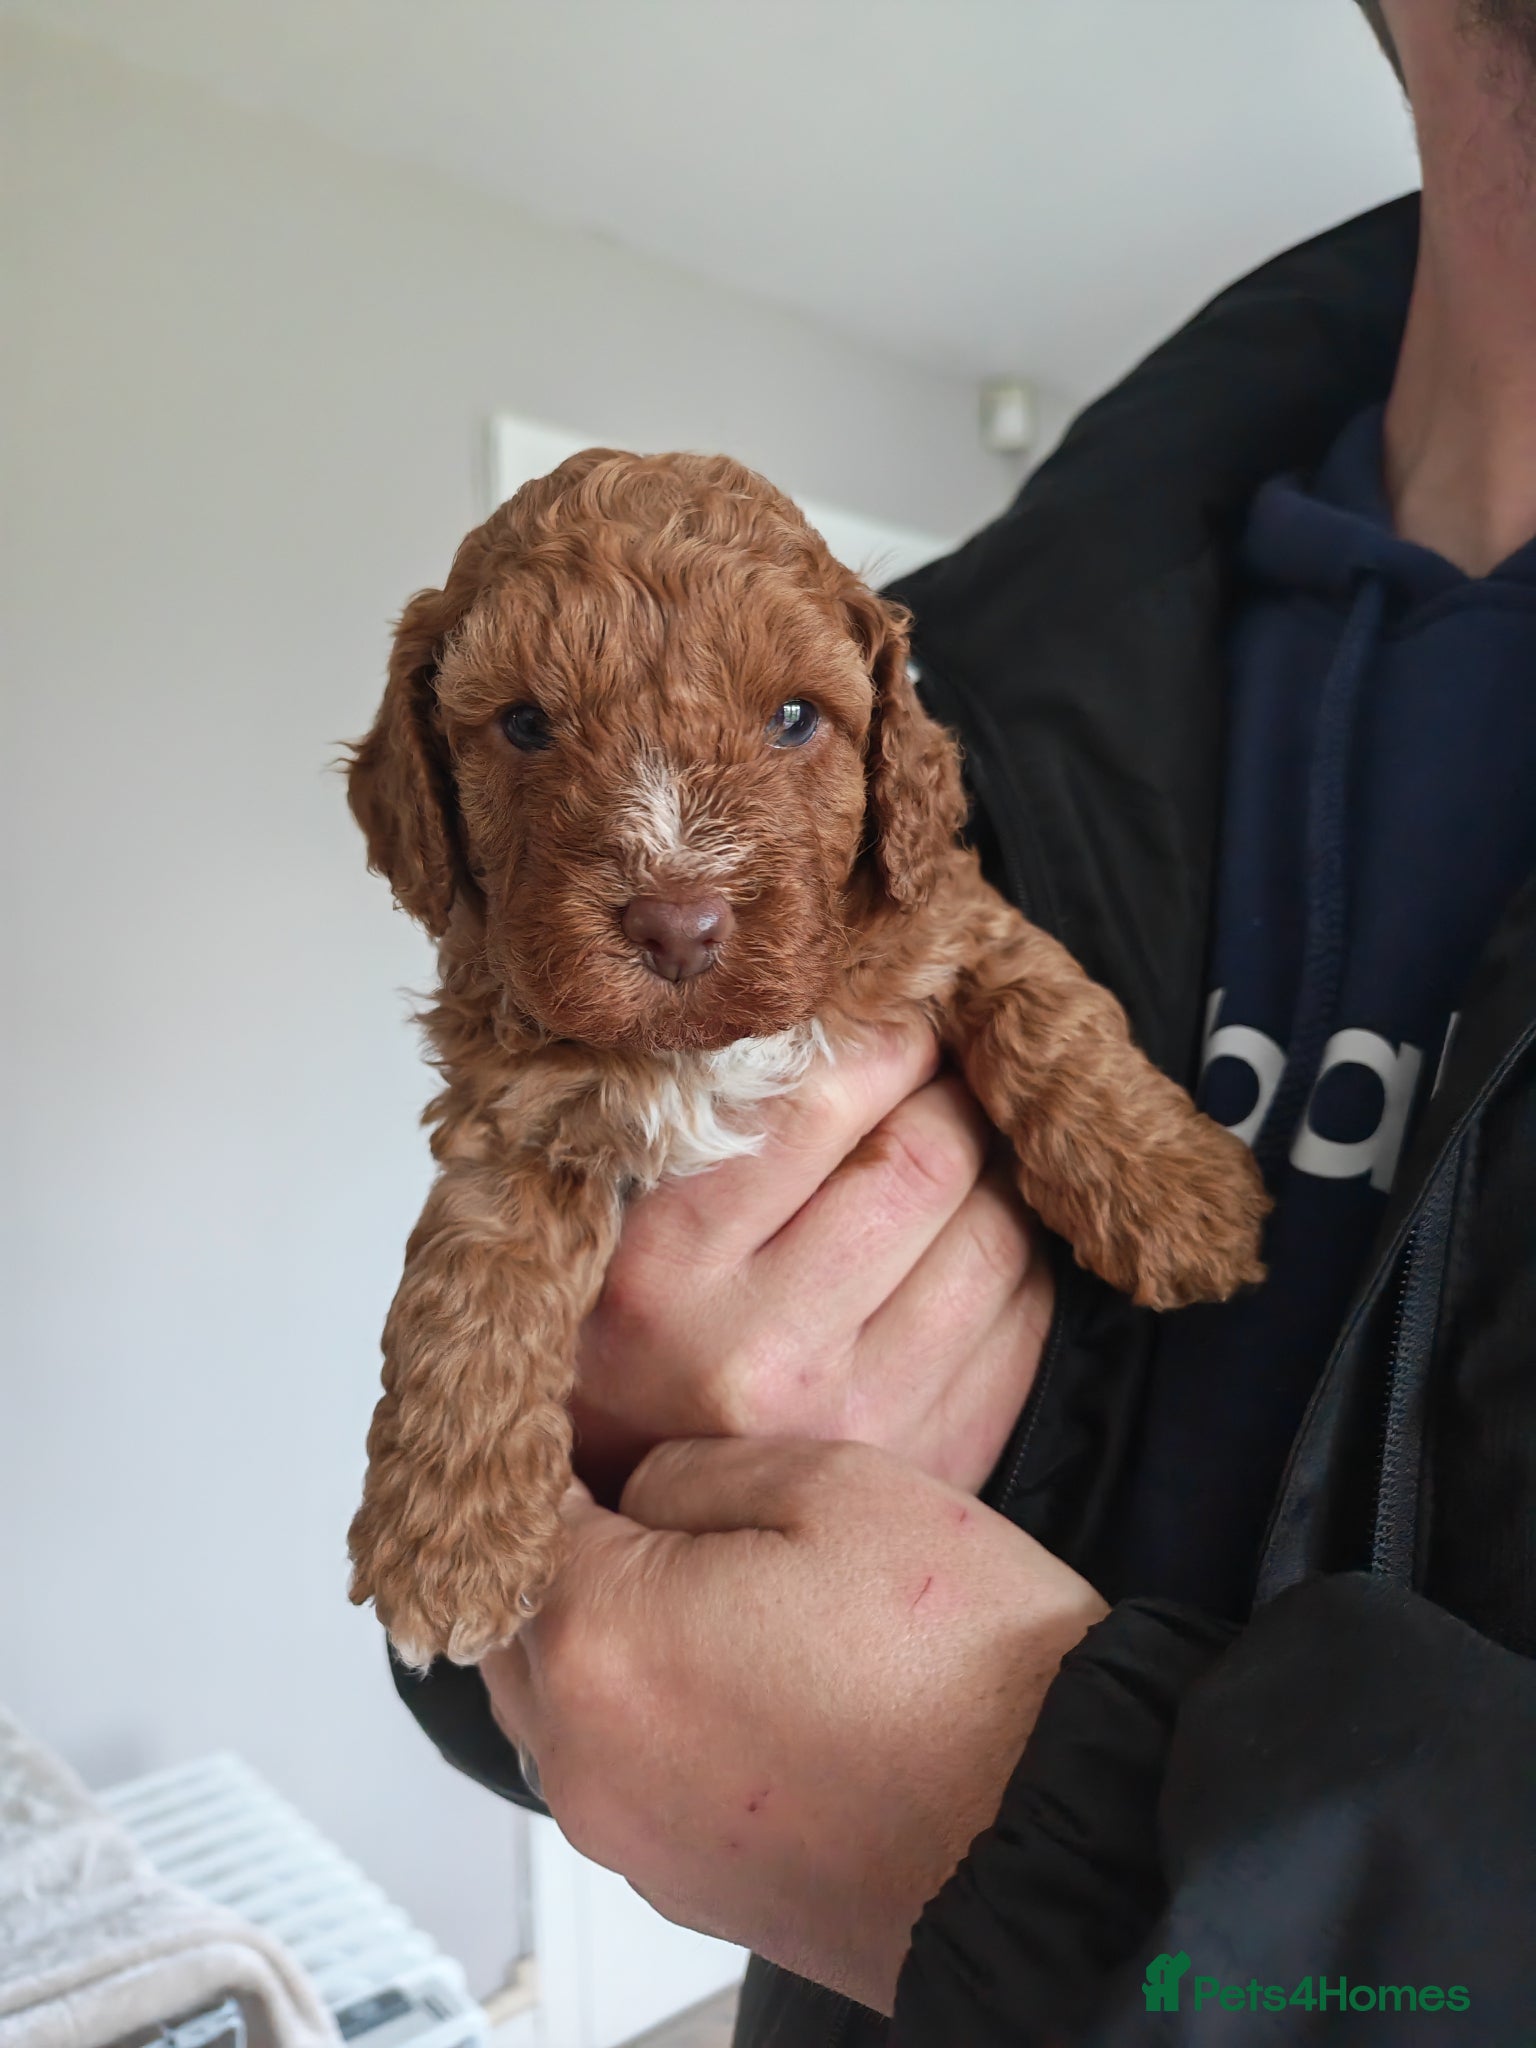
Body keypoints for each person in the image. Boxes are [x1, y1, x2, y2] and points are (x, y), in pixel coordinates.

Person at [392, 2, 1536, 2038]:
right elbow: (497, 1606)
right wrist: (581, 1501)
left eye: (773, 723)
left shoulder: (911, 719)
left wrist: (1061, 1846)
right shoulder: (1008, 644)